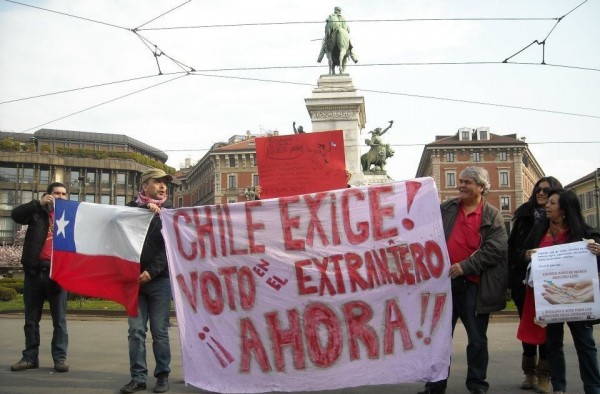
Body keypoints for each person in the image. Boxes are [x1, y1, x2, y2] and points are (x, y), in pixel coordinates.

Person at [418, 167, 507, 394]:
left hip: (473, 287)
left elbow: (496, 249)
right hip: (443, 285)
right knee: (438, 339)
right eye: (460, 181)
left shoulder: (492, 215)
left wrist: (465, 267)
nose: (462, 186)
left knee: (477, 340)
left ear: (481, 187)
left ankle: (477, 385)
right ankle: (435, 386)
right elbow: (423, 227)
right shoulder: (447, 208)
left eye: (467, 182)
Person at [522, 189, 600, 394]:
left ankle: (593, 387)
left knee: (585, 344)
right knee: (553, 345)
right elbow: (521, 254)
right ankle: (559, 387)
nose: (547, 206)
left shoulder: (585, 233)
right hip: (550, 300)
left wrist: (599, 251)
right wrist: (528, 255)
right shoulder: (539, 230)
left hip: (579, 301)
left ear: (564, 209)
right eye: (547, 203)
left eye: (553, 203)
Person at [120, 168, 174, 394]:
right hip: (133, 282)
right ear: (144, 187)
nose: (163, 186)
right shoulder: (130, 210)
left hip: (159, 282)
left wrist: (152, 271)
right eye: (157, 182)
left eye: (165, 183)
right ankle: (138, 378)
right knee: (135, 332)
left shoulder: (170, 213)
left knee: (160, 332)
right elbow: (120, 236)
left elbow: (169, 247)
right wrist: (145, 210)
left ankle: (162, 375)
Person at [508, 176, 562, 393]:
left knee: (548, 332)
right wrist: (522, 259)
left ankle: (544, 376)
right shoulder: (523, 215)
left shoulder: (563, 217)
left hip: (554, 285)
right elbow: (513, 249)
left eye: (547, 191)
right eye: (538, 190)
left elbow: (584, 232)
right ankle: (529, 373)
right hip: (525, 283)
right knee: (528, 328)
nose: (541, 193)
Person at [10, 183, 69, 373]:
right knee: (31, 320)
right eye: (56, 193)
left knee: (59, 321)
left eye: (63, 194)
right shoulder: (37, 213)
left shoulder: (71, 216)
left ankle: (60, 359)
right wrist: (38, 203)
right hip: (34, 273)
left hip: (58, 275)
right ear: (48, 195)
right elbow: (16, 215)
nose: (60, 196)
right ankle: (29, 358)